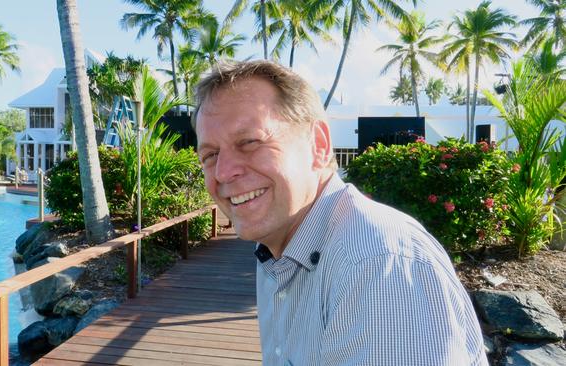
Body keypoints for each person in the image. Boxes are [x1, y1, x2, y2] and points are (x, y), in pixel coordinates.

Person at [193, 60, 487, 366]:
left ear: (318, 145)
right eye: (210, 155)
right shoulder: (275, 249)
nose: (224, 172)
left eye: (249, 142)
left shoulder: (377, 265)